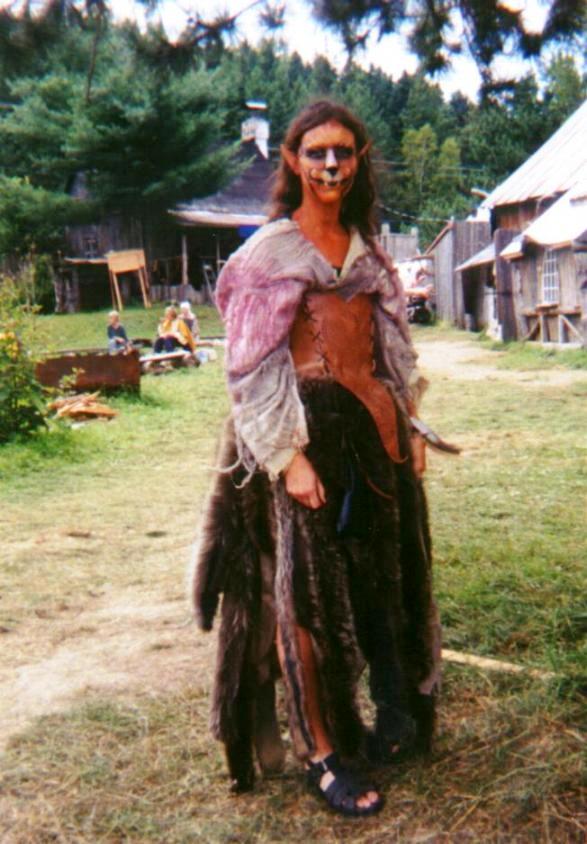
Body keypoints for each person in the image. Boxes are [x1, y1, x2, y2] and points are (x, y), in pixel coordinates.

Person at [191, 101, 441, 818]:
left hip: (374, 437)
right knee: (303, 600)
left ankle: (393, 713)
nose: (331, 165)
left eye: (344, 152)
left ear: (358, 160)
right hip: (303, 440)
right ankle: (320, 751)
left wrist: (409, 427)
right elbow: (250, 366)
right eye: (317, 152)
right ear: (293, 161)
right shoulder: (267, 254)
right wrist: (286, 456)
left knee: (385, 584)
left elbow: (392, 351)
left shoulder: (368, 252)